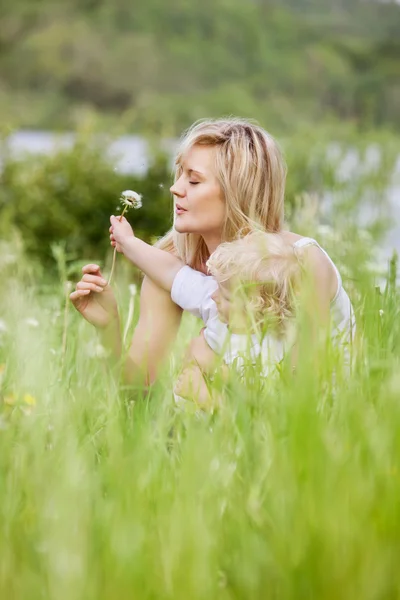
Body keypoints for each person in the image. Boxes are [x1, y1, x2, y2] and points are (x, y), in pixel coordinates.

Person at [70, 117, 355, 389]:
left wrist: (214, 376)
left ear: (236, 193)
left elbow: (302, 397)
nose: (175, 188)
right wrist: (109, 330)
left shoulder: (300, 263)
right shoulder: (167, 268)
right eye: (180, 174)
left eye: (193, 181)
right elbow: (136, 396)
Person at [107, 223, 302, 407]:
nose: (213, 295)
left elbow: (256, 410)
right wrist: (128, 242)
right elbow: (174, 274)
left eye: (225, 295)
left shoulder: (274, 347)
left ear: (254, 306)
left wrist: (207, 392)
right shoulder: (217, 305)